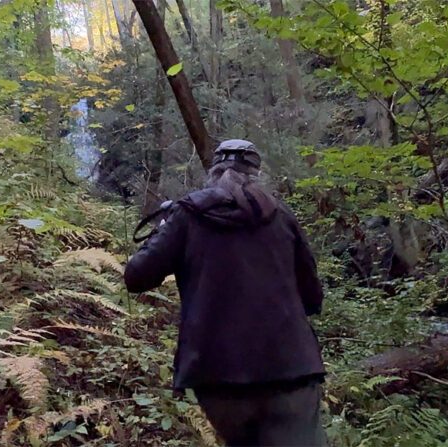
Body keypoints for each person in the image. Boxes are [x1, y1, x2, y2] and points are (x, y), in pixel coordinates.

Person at [124, 139, 326, 446]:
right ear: (257, 174)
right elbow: (312, 298)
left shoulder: (187, 215)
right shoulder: (282, 216)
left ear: (214, 173)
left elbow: (136, 276)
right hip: (291, 368)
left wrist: (164, 228)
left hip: (217, 375)